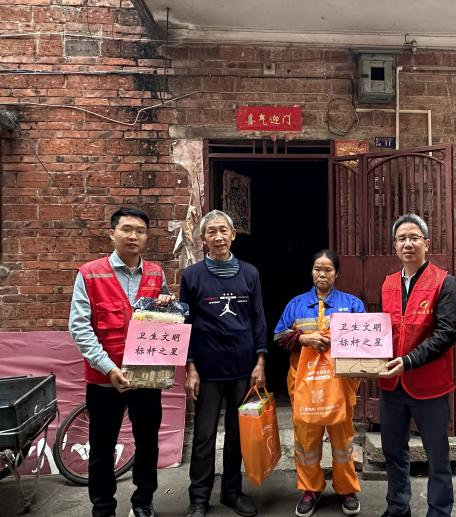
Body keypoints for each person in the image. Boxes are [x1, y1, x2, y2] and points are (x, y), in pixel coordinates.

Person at [68, 206, 174, 517]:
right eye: (126, 229)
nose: (133, 236)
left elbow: (166, 321)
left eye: (140, 231)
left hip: (147, 377)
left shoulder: (156, 273)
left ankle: (143, 501)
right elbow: (79, 327)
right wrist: (108, 368)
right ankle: (103, 508)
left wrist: (167, 305)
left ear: (147, 237)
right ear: (112, 233)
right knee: (102, 447)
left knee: (147, 443)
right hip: (105, 379)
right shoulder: (90, 273)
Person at [181, 210, 267, 517]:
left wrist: (260, 361)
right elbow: (186, 323)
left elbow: (258, 318)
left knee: (237, 433)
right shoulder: (192, 276)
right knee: (204, 435)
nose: (218, 237)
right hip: (207, 369)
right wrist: (190, 367)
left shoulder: (250, 273)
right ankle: (199, 498)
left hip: (243, 368)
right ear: (203, 239)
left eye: (223, 231)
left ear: (233, 234)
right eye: (211, 232)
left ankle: (232, 491)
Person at [378, 213, 456, 517]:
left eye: (414, 238)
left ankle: (439, 511)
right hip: (392, 385)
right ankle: (397, 507)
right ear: (395, 246)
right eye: (402, 239)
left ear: (427, 243)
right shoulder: (388, 283)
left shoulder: (444, 282)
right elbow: (381, 332)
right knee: (393, 452)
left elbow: (447, 332)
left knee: (437, 456)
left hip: (429, 385)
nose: (408, 244)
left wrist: (409, 361)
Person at [274, 250, 363, 517]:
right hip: (305, 384)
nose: (322, 274)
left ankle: (346, 489)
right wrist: (304, 339)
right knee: (306, 440)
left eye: (328, 270)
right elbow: (279, 336)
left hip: (340, 384)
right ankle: (310, 489)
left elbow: (365, 341)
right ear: (311, 272)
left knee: (343, 441)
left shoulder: (352, 304)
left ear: (337, 273)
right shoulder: (296, 304)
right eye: (317, 269)